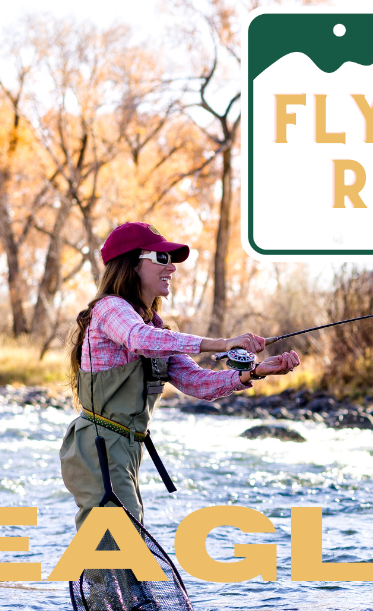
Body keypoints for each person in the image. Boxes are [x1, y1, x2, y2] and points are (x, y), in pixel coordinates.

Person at [60, 221, 300, 531]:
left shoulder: (157, 329)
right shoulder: (110, 309)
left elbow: (196, 382)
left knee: (116, 552)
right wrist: (223, 344)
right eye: (161, 259)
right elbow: (138, 338)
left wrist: (252, 373)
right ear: (130, 265)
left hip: (124, 451)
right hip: (98, 448)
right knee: (120, 546)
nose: (172, 268)